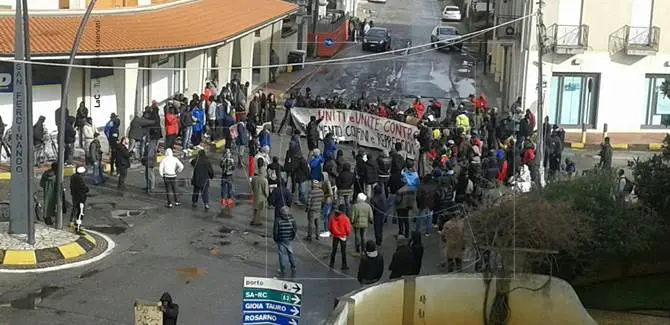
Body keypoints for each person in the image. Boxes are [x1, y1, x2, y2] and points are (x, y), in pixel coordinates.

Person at [273, 206, 298, 276]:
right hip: (289, 239)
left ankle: (282, 269)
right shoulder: (292, 219)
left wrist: (275, 239)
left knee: (281, 254)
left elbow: (275, 231)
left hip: (280, 239)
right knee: (290, 252)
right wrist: (292, 237)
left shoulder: (278, 220)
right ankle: (293, 267)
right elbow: (295, 229)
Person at [328, 204, 352, 270]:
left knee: (334, 250)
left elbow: (330, 226)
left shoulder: (333, 217)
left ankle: (331, 263)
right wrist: (347, 234)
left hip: (335, 235)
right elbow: (348, 228)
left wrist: (332, 232)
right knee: (343, 251)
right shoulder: (345, 218)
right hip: (342, 235)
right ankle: (344, 265)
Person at [70, 166, 89, 233]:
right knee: (80, 212)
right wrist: (86, 189)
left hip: (75, 196)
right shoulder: (79, 179)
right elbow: (83, 188)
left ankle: (72, 222)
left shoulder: (73, 176)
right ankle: (78, 227)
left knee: (75, 209)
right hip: (80, 198)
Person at [251, 159, 269, 226]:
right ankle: (257, 221)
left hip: (255, 195)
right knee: (259, 210)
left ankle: (253, 219)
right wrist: (267, 196)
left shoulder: (254, 178)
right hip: (262, 197)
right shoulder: (265, 180)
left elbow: (252, 186)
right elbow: (266, 191)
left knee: (255, 209)